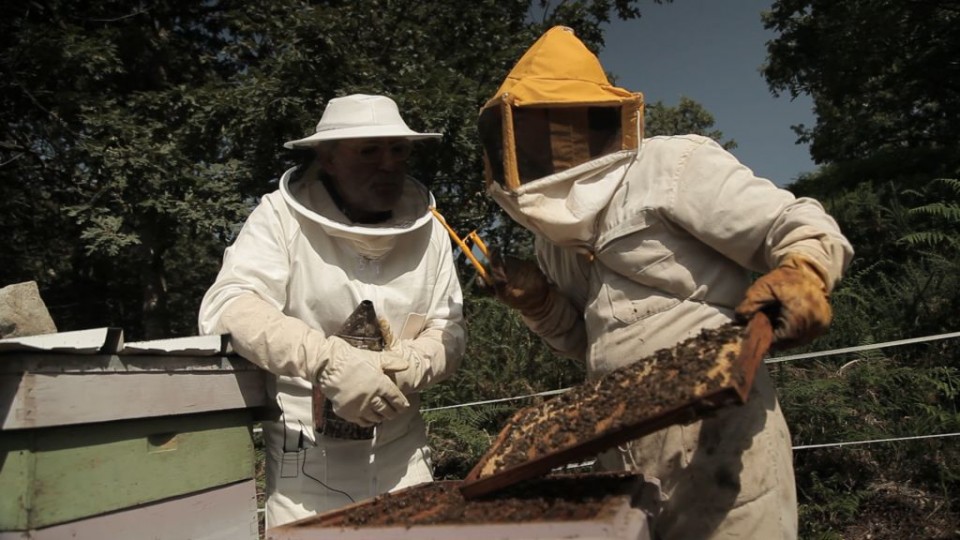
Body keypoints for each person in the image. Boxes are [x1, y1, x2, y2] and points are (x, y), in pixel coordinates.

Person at [477, 27, 853, 539]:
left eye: (554, 127)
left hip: (721, 434)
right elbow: (584, 343)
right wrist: (539, 303)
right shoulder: (551, 240)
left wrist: (805, 269)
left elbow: (793, 223)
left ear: (588, 118)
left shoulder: (671, 165)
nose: (544, 145)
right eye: (529, 134)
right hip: (619, 445)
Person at [198, 94, 466, 528]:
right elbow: (230, 305)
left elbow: (447, 325)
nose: (389, 164)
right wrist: (327, 361)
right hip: (306, 472)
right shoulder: (279, 218)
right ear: (328, 158)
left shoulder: (431, 229)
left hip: (405, 461)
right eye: (369, 151)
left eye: (398, 150)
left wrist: (416, 363)